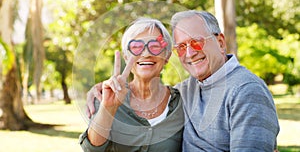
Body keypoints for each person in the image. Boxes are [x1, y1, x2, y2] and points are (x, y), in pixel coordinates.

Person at [85, 10, 280, 151]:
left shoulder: (246, 90)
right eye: (182, 46)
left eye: (196, 42)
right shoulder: (188, 90)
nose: (190, 53)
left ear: (220, 43)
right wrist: (102, 91)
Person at [79, 18, 184, 152]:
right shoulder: (106, 96)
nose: (146, 54)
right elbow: (92, 149)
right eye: (136, 47)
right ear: (126, 57)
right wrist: (108, 107)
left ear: (167, 56)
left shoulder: (180, 103)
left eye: (155, 46)